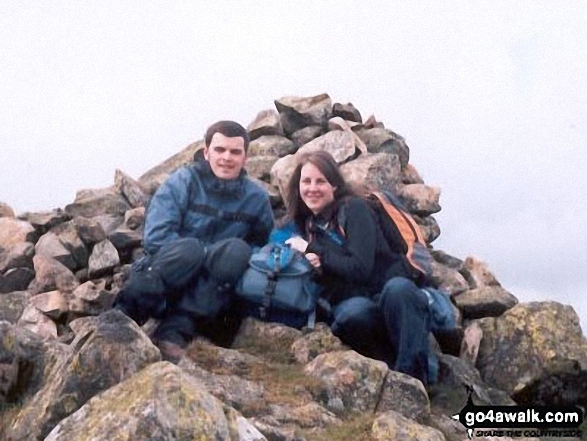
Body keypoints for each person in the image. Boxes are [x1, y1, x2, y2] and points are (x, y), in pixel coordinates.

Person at [115, 120, 274, 362]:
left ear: (245, 158)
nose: (226, 158)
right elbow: (156, 238)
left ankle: (174, 333)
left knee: (236, 252)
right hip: (170, 273)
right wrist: (203, 254)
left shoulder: (256, 199)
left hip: (210, 290)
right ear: (206, 151)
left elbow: (262, 246)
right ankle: (122, 318)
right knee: (189, 250)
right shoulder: (183, 182)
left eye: (235, 152)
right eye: (220, 150)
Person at [283, 150, 432, 386]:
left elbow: (360, 267)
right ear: (297, 186)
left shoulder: (355, 209)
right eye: (306, 181)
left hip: (388, 294)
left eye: (321, 181)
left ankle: (413, 379)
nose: (312, 188)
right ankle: (388, 373)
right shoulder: (306, 225)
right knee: (350, 316)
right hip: (358, 302)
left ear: (334, 185)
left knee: (399, 290)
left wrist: (315, 252)